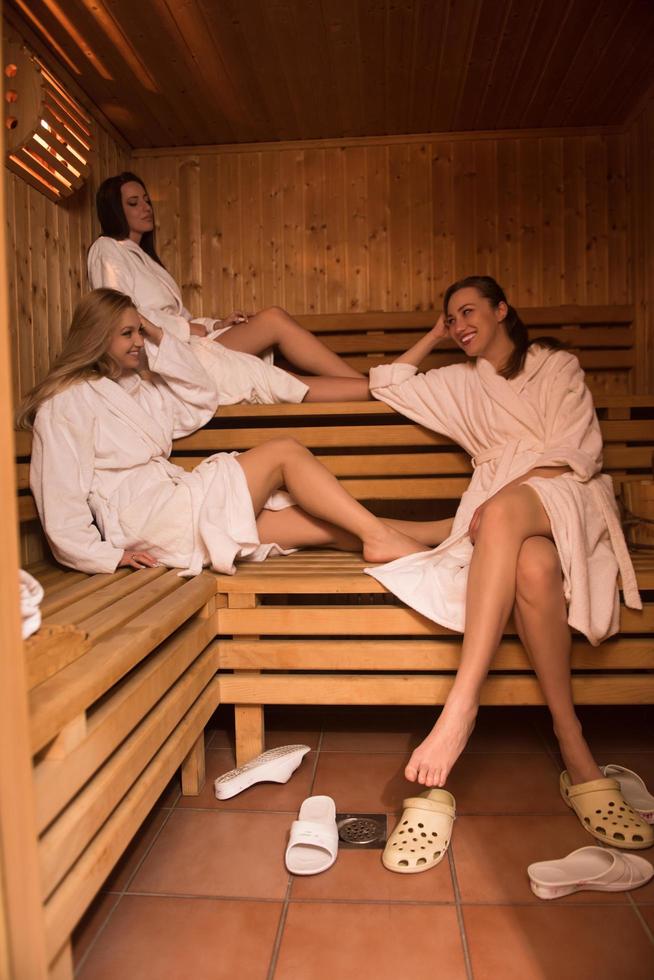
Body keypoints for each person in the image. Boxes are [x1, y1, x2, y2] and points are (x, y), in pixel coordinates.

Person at [364, 276, 645, 823]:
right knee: (534, 568)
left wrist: (506, 499)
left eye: (469, 312)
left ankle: (459, 709)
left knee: (500, 514)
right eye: (451, 319)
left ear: (502, 310)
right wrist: (432, 334)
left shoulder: (554, 365)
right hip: (504, 514)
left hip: (566, 491)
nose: (460, 325)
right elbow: (388, 382)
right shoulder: (461, 382)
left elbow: (576, 450)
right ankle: (574, 744)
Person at [18, 288, 450, 578]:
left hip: (171, 507)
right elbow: (61, 500)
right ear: (96, 337)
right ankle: (383, 537)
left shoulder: (137, 390)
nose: (137, 342)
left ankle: (435, 533)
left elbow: (200, 395)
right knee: (285, 453)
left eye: (139, 332)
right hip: (152, 518)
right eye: (127, 333)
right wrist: (108, 556)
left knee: (312, 524)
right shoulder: (66, 402)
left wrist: (158, 334)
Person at [87, 173, 370, 405]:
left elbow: (183, 317)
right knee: (272, 322)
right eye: (134, 203)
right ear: (115, 210)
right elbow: (119, 313)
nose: (146, 208)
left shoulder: (146, 259)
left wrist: (215, 324)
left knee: (274, 339)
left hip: (183, 345)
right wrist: (188, 330)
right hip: (161, 356)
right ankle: (374, 388)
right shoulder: (107, 249)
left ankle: (372, 388)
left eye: (147, 201)